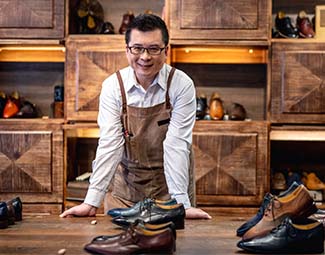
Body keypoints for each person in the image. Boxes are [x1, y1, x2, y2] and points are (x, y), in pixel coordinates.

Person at [60, 13, 211, 219]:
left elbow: (176, 145)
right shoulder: (113, 87)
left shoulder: (181, 85)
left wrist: (181, 203)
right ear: (127, 50)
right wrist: (91, 202)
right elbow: (110, 144)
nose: (145, 57)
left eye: (153, 49)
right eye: (137, 48)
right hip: (125, 188)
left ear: (166, 51)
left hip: (170, 189)